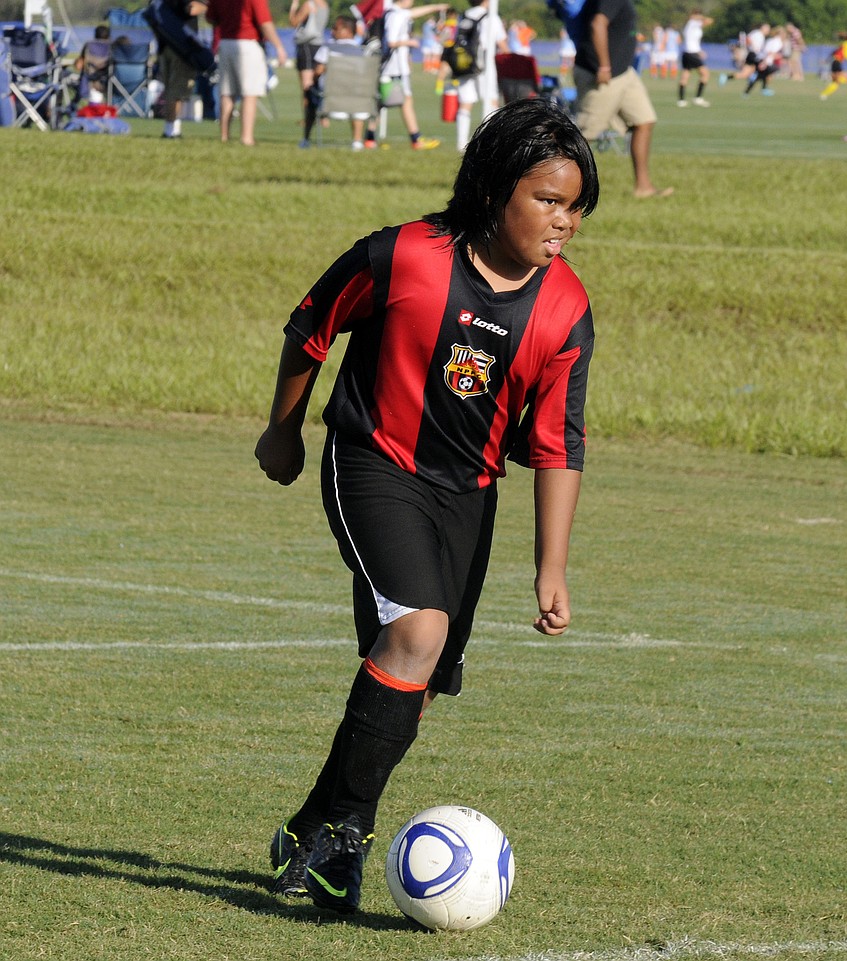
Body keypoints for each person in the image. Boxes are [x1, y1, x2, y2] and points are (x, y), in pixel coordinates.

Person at [255, 96, 599, 913]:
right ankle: (341, 831)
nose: (565, 221)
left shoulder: (566, 312)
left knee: (421, 676)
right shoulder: (402, 255)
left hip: (469, 497)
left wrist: (552, 567)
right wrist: (282, 431)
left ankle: (315, 831)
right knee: (418, 632)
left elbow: (557, 444)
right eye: (548, 200)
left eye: (577, 206)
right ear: (490, 190)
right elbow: (311, 326)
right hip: (373, 460)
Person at [573, 0, 673, 199]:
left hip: (624, 73)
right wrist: (603, 66)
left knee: (644, 121)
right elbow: (597, 24)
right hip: (603, 74)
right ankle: (538, 179)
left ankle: (643, 187)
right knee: (582, 136)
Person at [205, 0, 287, 145]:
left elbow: (210, 17)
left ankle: (224, 136)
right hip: (248, 45)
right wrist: (279, 46)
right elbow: (265, 22)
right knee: (250, 93)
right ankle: (246, 137)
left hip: (224, 44)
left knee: (227, 93)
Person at [372, 0, 448, 150]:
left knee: (381, 102)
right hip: (394, 68)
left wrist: (435, 7)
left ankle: (369, 138)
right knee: (404, 101)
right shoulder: (395, 15)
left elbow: (414, 13)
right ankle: (416, 139)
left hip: (393, 67)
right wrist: (410, 42)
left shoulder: (395, 12)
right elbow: (392, 42)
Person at [451, 0, 508, 152]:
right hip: (485, 65)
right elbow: (501, 42)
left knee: (465, 103)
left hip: (465, 64)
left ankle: (461, 143)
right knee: (491, 102)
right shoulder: (491, 17)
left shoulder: (464, 16)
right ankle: (492, 142)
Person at [309, 14, 368, 149]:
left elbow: (318, 71)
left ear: (347, 31)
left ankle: (306, 139)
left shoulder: (327, 49)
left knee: (309, 92)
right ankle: (357, 141)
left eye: (336, 28)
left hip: (331, 100)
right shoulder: (363, 52)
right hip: (358, 103)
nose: (332, 31)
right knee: (358, 97)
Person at [157, 0, 209, 139]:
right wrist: (208, 4)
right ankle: (173, 130)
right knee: (177, 90)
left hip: (164, 44)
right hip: (181, 46)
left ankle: (169, 128)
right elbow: (190, 9)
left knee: (169, 90)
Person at [289, 0, 329, 148]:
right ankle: (323, 117)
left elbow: (294, 22)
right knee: (317, 84)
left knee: (307, 87)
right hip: (319, 45)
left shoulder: (308, 5)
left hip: (306, 45)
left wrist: (293, 7)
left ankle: (309, 119)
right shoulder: (324, 5)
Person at [677, 11, 713, 107]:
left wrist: (699, 51)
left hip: (687, 53)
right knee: (705, 74)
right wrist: (701, 17)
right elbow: (709, 21)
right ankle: (698, 98)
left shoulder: (689, 25)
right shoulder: (693, 23)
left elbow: (692, 41)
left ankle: (681, 100)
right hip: (691, 54)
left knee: (685, 75)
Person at [73, 23, 111, 105]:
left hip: (88, 77)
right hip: (106, 77)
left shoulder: (89, 45)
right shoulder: (111, 46)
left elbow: (79, 64)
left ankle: (74, 105)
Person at [743, 25, 783, 96]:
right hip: (766, 62)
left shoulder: (771, 40)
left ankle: (751, 90)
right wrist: (765, 62)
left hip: (764, 60)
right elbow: (770, 53)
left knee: (763, 75)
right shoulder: (777, 41)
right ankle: (761, 88)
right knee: (767, 73)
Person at [820, 32, 847, 100]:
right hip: (836, 62)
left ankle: (824, 94)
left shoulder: (844, 44)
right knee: (845, 78)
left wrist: (827, 60)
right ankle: (828, 76)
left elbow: (834, 52)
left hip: (835, 61)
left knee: (837, 82)